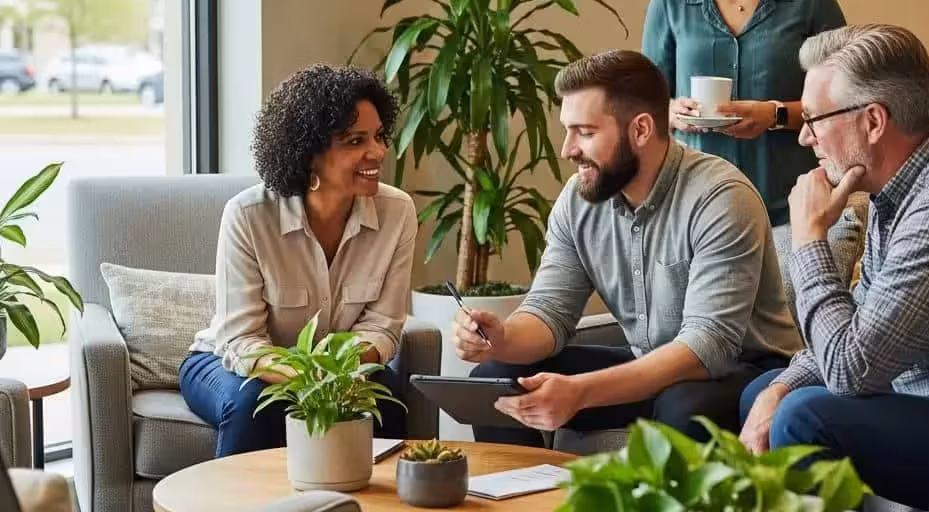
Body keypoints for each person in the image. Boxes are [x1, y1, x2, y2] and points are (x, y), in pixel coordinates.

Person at [453, 49, 803, 448]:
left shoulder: (721, 196)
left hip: (742, 370)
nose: (567, 149)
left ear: (639, 130)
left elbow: (709, 345)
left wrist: (581, 391)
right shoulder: (579, 200)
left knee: (684, 405)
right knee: (498, 379)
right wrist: (501, 336)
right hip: (650, 363)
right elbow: (550, 311)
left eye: (584, 132)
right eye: (568, 130)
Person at [738, 24, 929, 510]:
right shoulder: (898, 188)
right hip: (921, 398)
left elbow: (851, 370)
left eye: (813, 118)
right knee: (765, 393)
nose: (805, 136)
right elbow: (859, 320)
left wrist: (810, 240)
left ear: (873, 121)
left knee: (803, 418)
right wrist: (782, 385)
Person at [179, 64, 417, 457]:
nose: (377, 151)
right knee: (256, 406)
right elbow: (242, 341)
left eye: (377, 136)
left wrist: (333, 376)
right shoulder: (249, 215)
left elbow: (382, 328)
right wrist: (312, 380)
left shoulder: (398, 212)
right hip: (227, 362)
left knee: (387, 400)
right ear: (309, 154)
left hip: (338, 370)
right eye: (355, 141)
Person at [642, 0, 847, 228]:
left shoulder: (813, 5)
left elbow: (843, 101)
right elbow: (645, 102)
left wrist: (775, 114)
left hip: (791, 209)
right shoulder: (669, 5)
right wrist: (670, 111)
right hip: (693, 205)